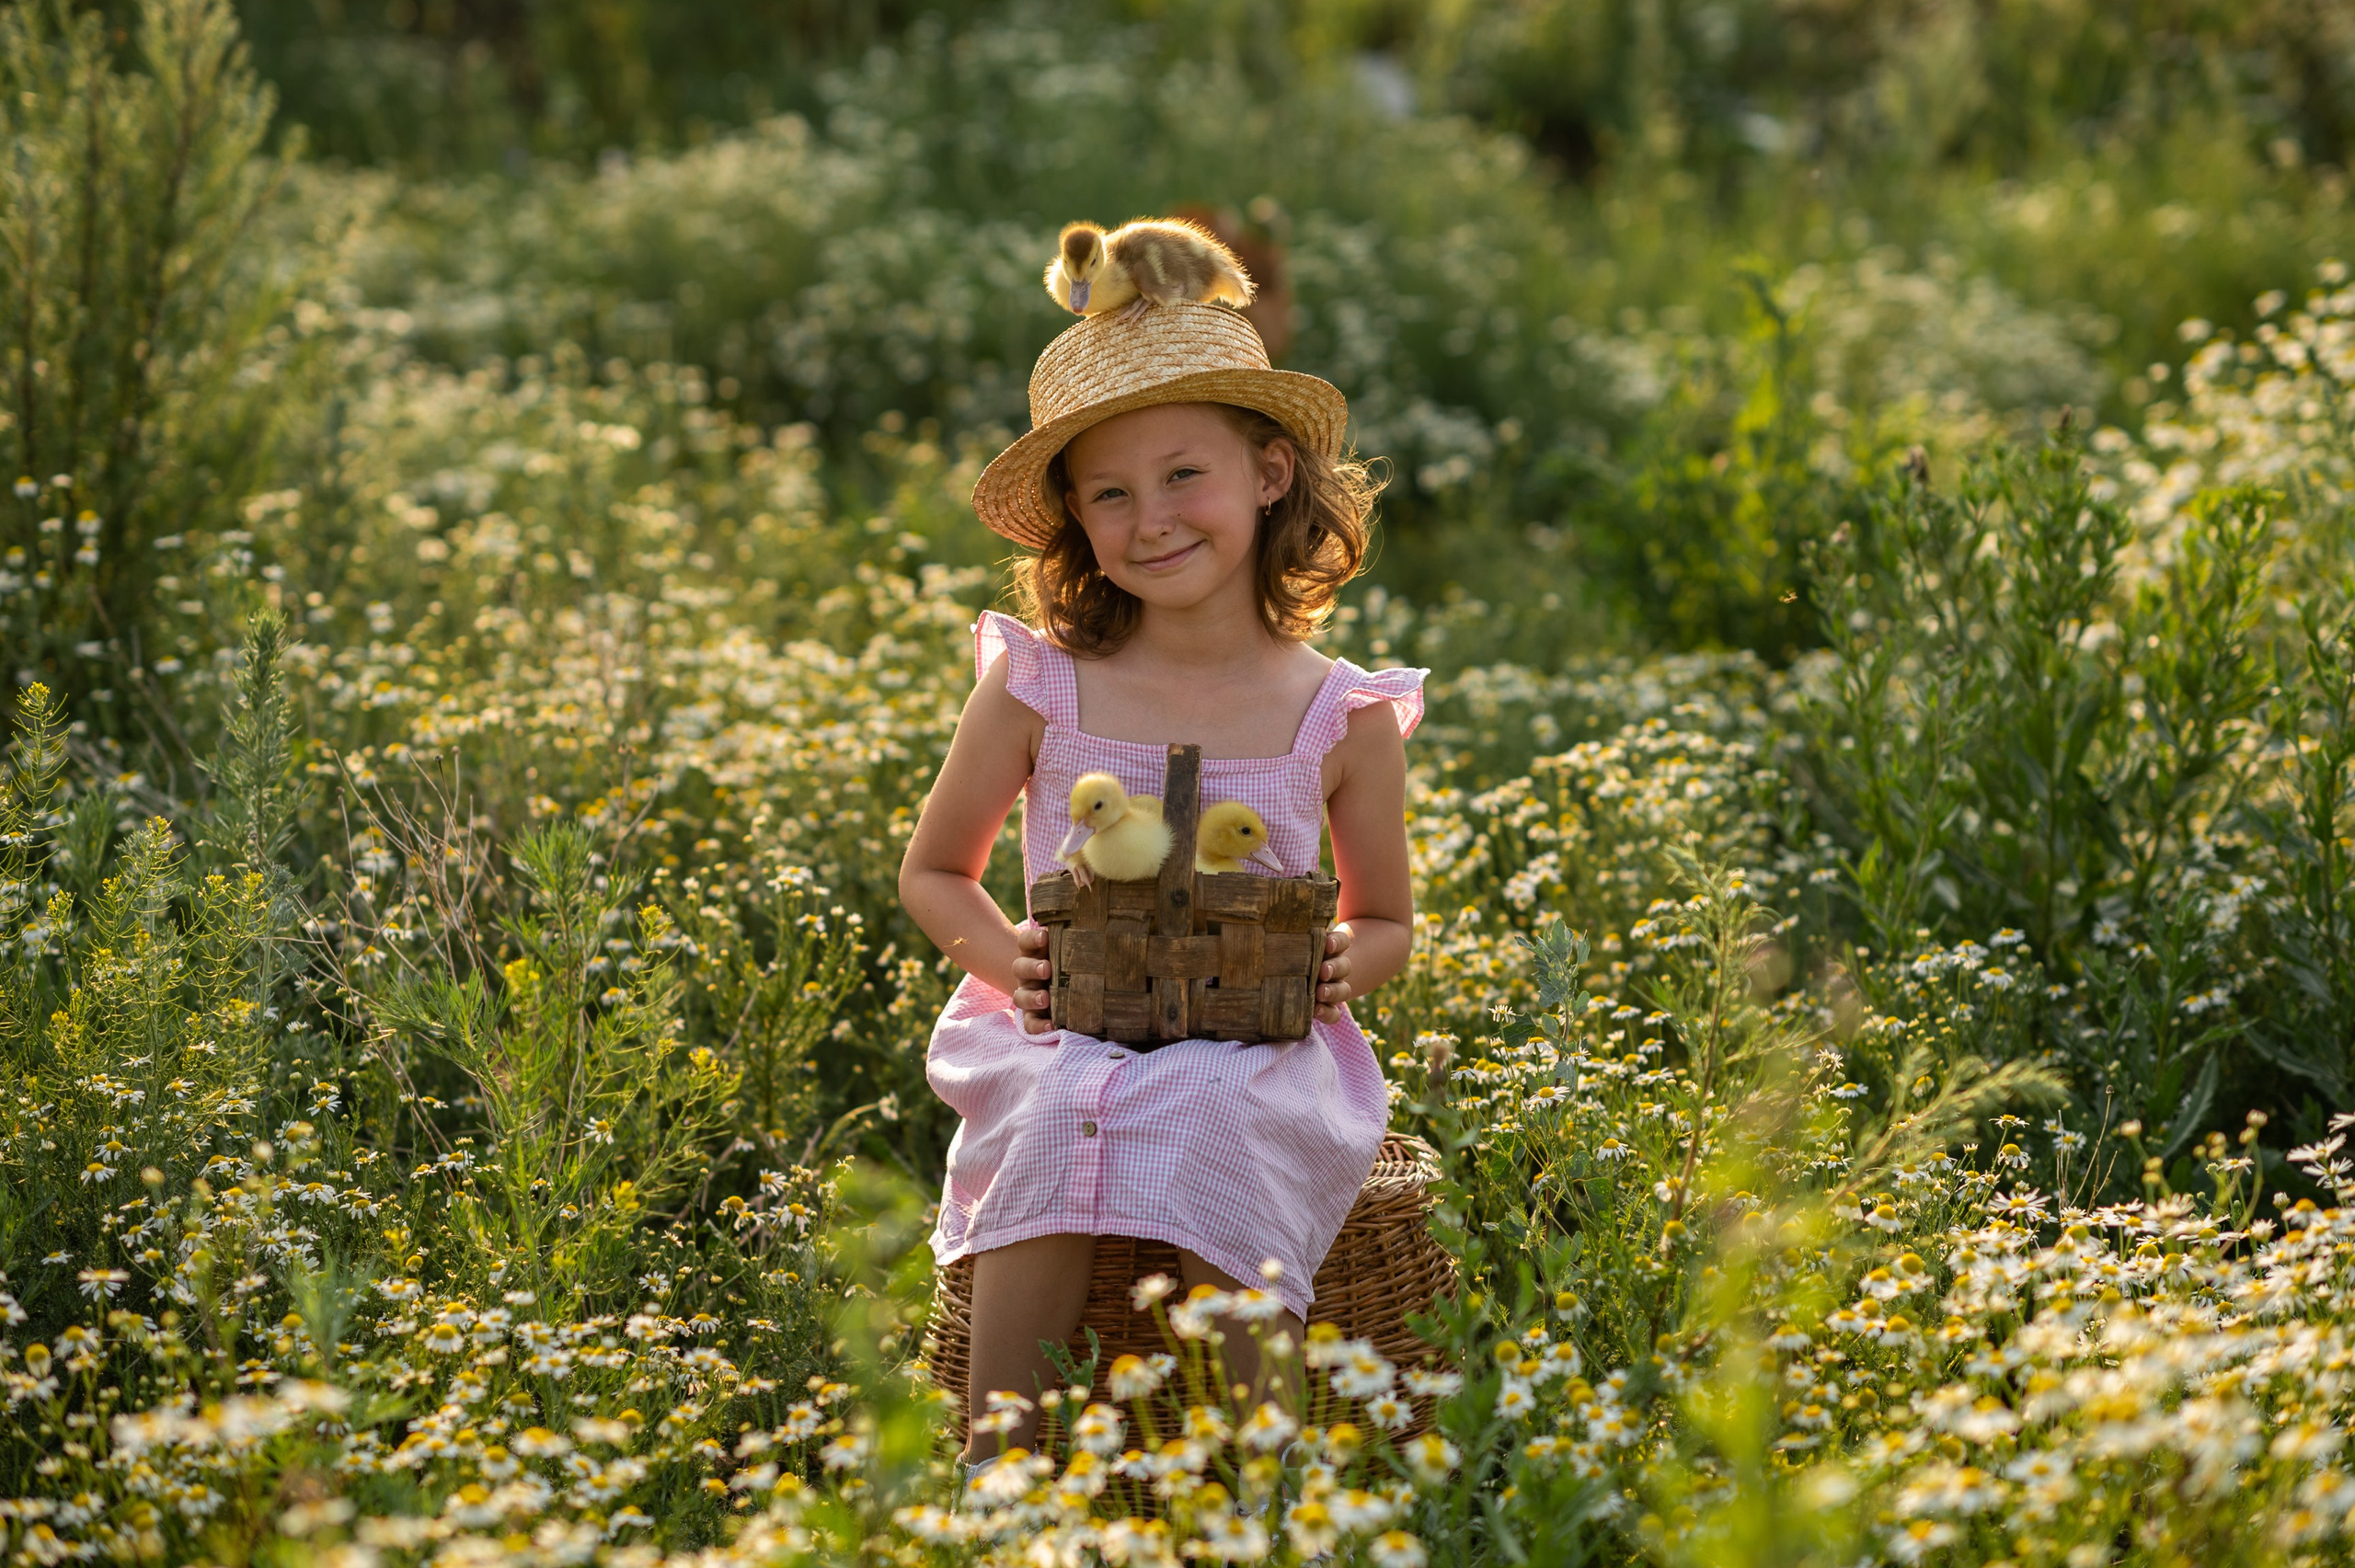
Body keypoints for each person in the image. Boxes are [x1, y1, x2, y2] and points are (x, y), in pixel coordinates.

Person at [896, 299, 1426, 1478]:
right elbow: (934, 871)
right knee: (1053, 1107)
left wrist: (1351, 958)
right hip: (1058, 1019)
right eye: (1112, 494)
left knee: (1213, 1113)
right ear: (1078, 523)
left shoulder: (1341, 714)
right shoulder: (1042, 686)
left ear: (1271, 470)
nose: (1152, 519)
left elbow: (1384, 915)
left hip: (1256, 1045)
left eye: (1185, 472)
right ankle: (1007, 1485)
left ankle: (1251, 1489)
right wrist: (1006, 960)